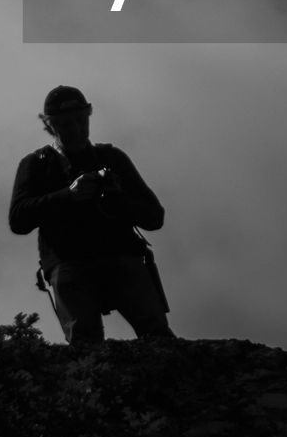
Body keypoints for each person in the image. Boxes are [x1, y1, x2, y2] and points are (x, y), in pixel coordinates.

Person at [9, 85, 175, 347]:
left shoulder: (111, 158)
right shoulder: (37, 164)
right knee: (86, 344)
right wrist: (68, 195)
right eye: (65, 124)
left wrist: (116, 197)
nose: (75, 129)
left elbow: (154, 217)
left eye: (80, 120)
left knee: (156, 337)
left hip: (117, 257)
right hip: (72, 262)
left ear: (88, 116)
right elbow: (18, 220)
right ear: (50, 126)